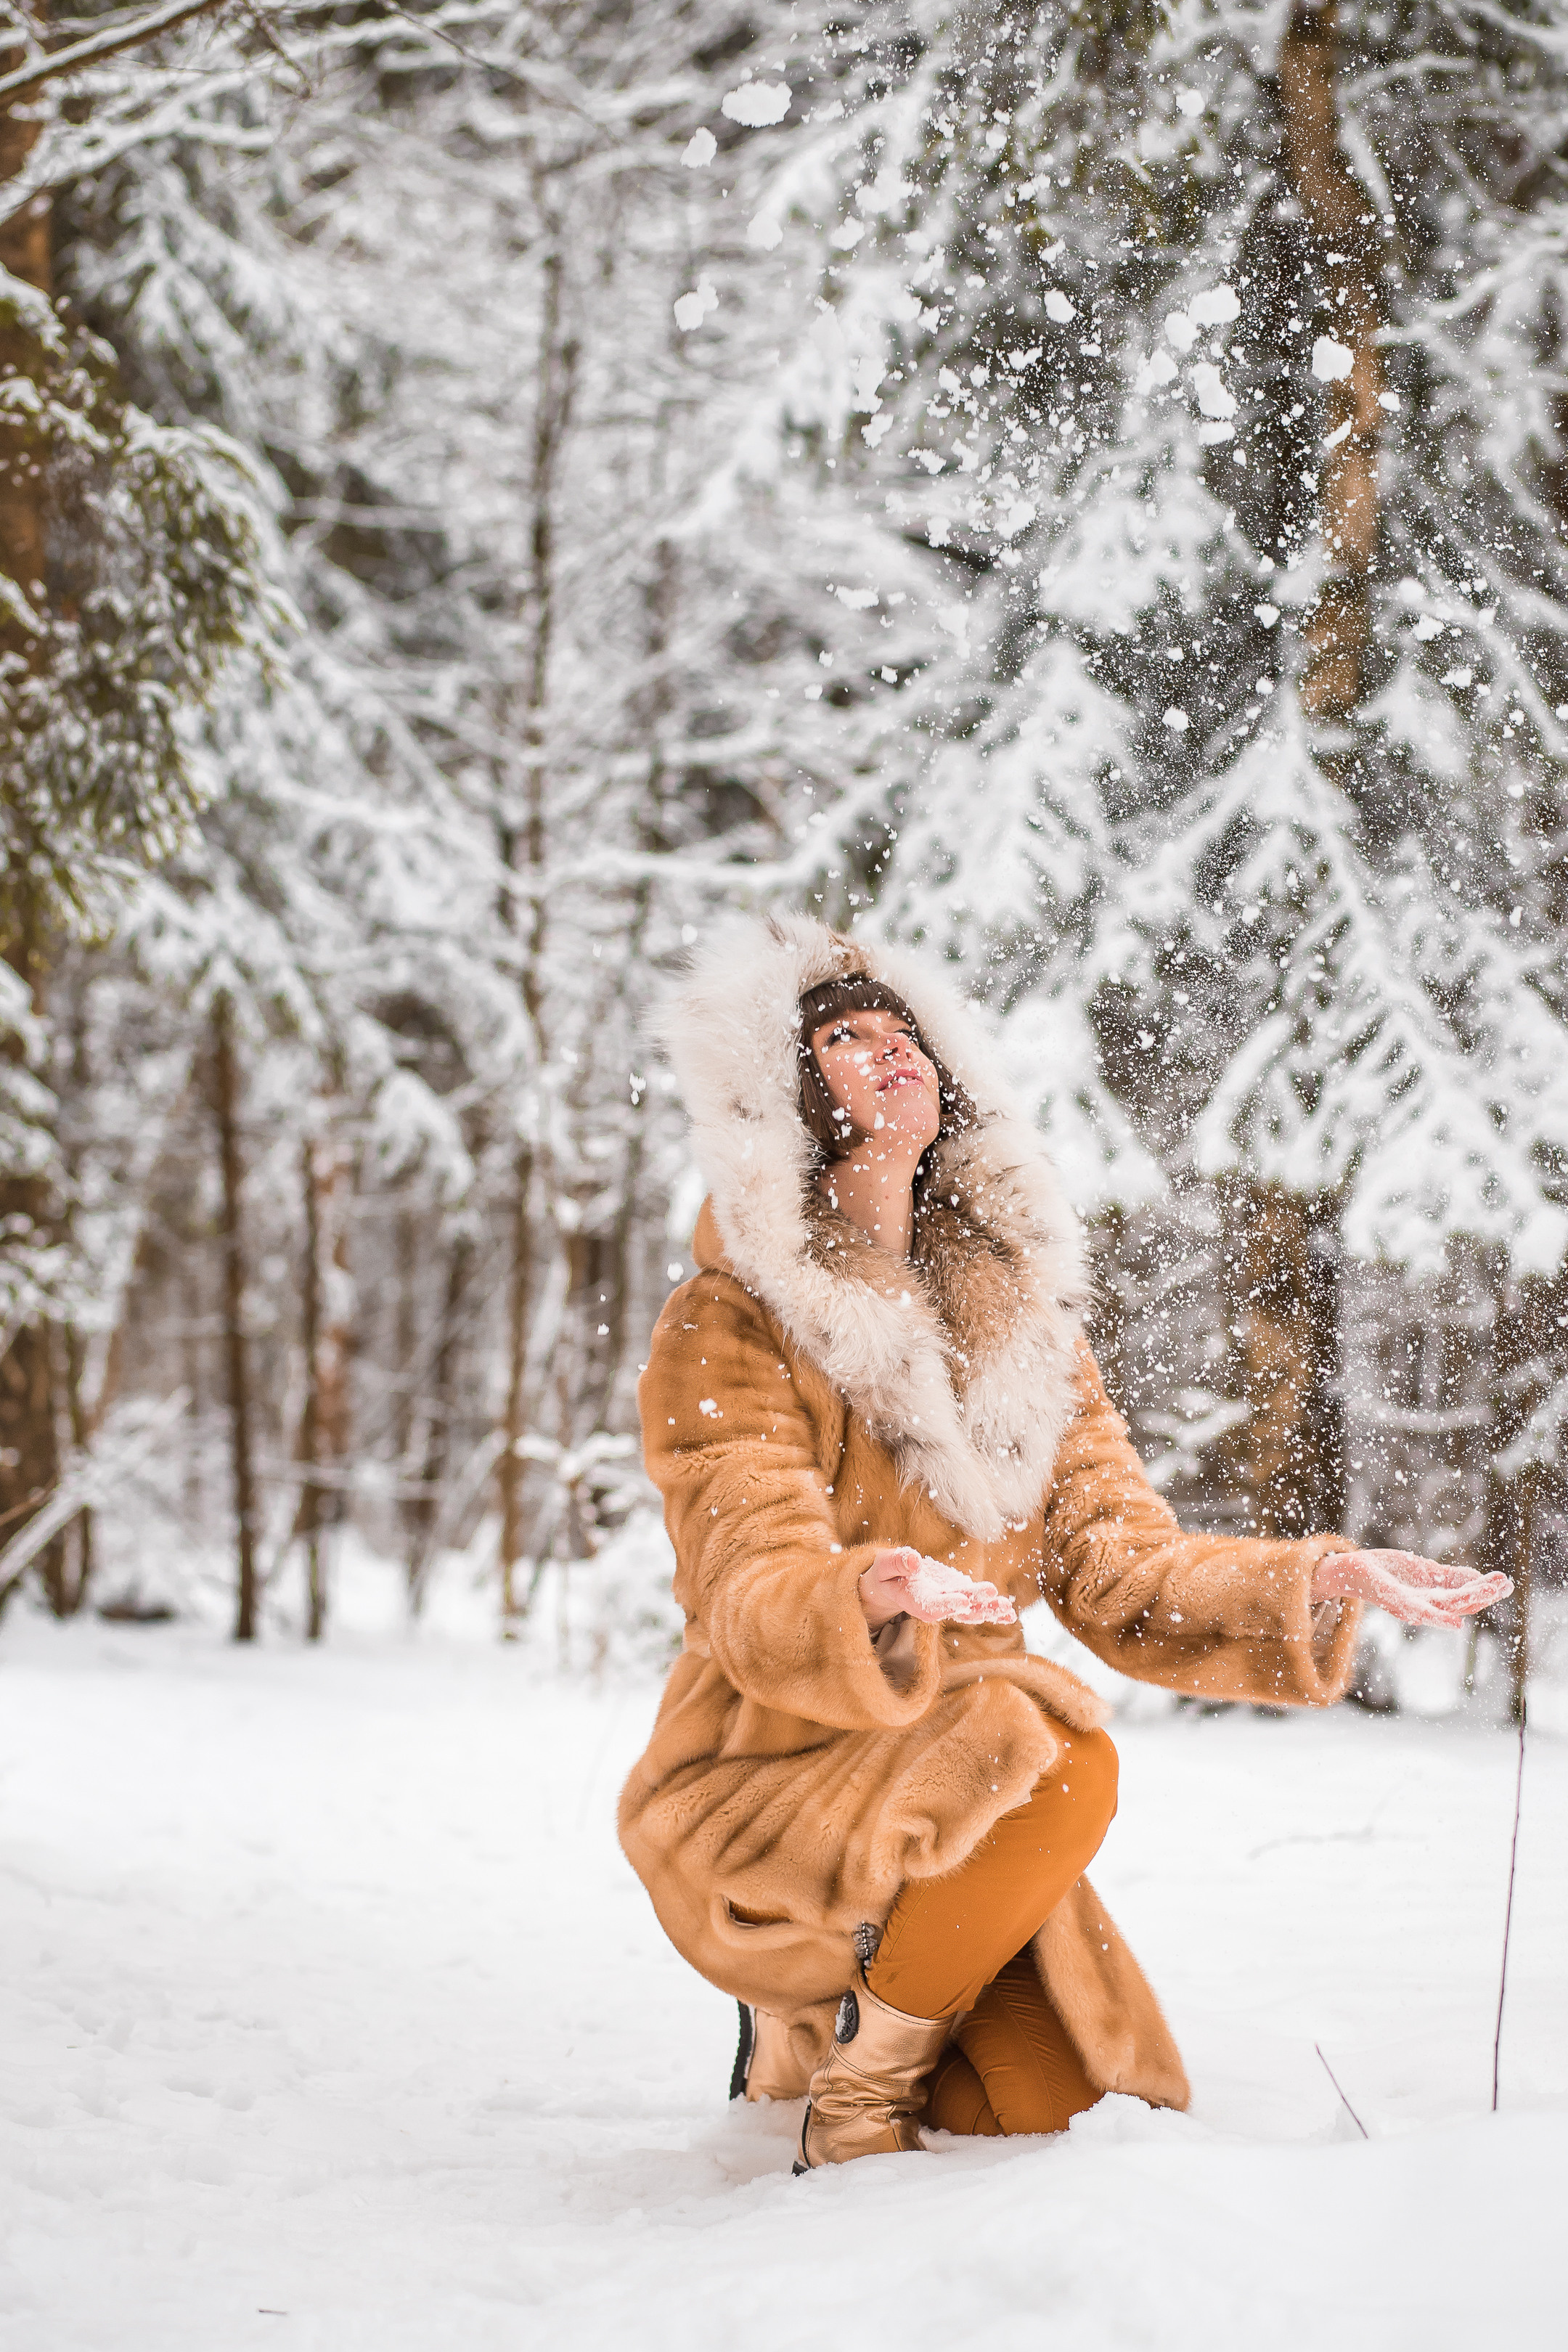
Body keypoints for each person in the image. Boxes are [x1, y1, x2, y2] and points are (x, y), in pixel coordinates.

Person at [618, 915, 1508, 2171]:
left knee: (1043, 2113)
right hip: (773, 1776)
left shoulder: (1031, 1334)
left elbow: (1120, 1569)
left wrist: (1319, 1578)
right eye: (843, 1038)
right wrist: (860, 1588)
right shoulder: (731, 1321)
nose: (890, 1054)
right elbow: (742, 1577)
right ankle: (853, 2090)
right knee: (1062, 1747)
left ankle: (850, 2012)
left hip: (966, 1791)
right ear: (789, 1094)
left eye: (903, 1032)